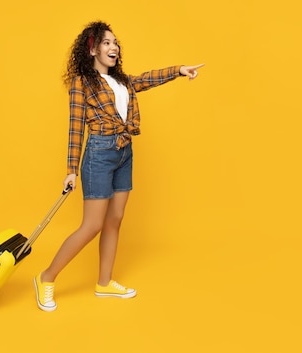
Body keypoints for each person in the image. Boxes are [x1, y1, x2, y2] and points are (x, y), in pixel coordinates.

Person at [34, 21, 204, 311]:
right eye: (106, 43)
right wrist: (71, 170)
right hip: (99, 152)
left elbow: (148, 79)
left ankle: (104, 283)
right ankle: (46, 277)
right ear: (92, 49)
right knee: (92, 225)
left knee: (115, 220)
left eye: (115, 43)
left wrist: (179, 70)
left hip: (124, 151)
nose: (114, 47)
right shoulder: (82, 83)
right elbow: (76, 126)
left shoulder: (122, 81)